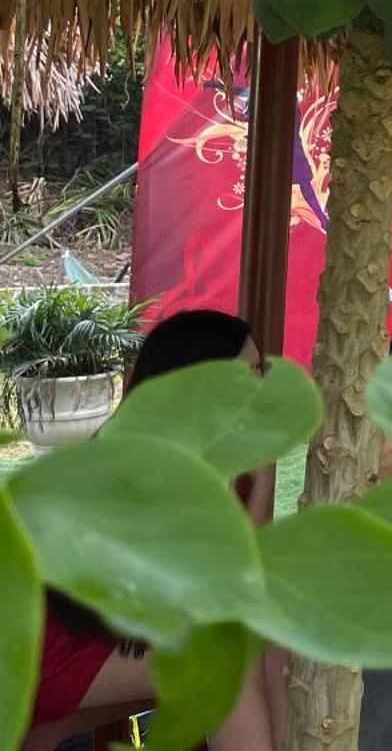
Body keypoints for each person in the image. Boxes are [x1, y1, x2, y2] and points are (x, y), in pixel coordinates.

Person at [29, 311, 284, 751]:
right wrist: (263, 483)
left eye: (262, 368)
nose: (263, 384)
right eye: (250, 372)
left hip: (96, 635)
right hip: (54, 649)